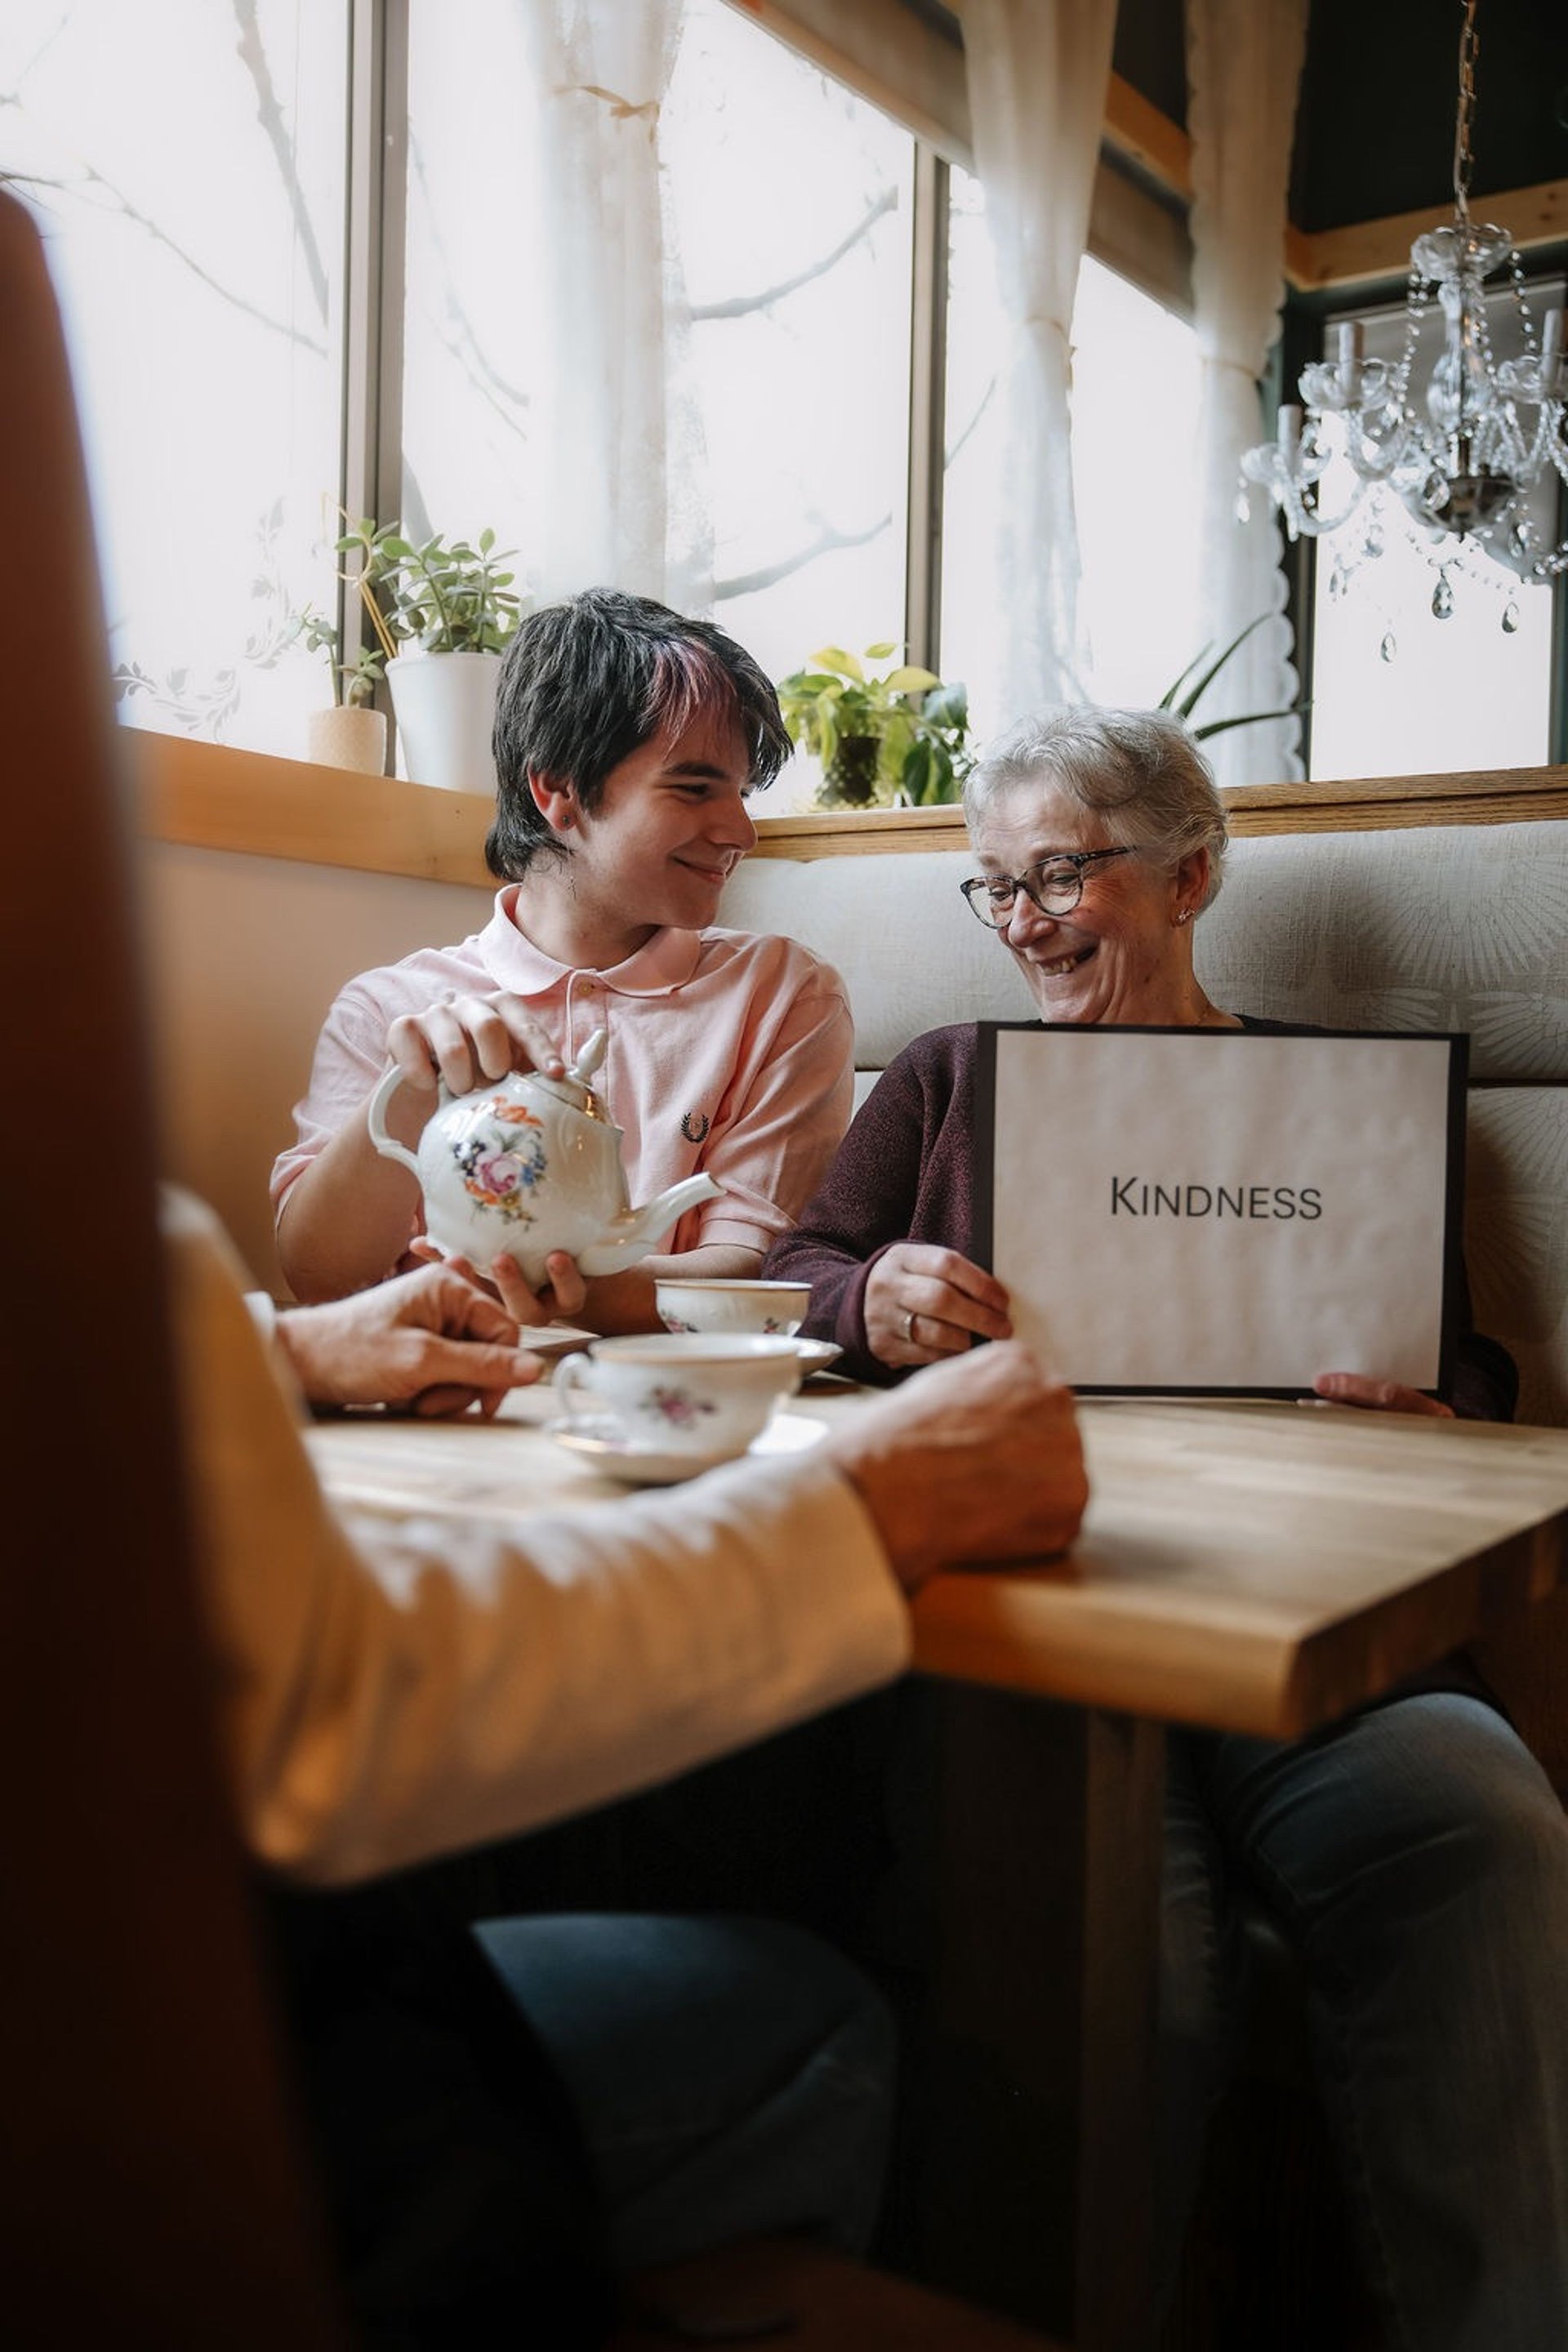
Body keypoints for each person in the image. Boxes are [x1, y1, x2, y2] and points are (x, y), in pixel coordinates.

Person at [766, 706, 1568, 2350]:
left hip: (1310, 1607)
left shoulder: (1335, 1106)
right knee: (1136, 1956)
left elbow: (1463, 1362)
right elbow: (792, 1279)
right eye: (993, 891)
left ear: (1191, 874)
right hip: (1044, 1620)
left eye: (1060, 874)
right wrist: (873, 1292)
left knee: (1487, 1828)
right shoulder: (945, 1079)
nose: (1025, 922)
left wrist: (1442, 1411)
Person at [167, 1187, 1087, 2342]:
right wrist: (865, 1512)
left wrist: (279, 1347)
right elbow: (317, 1719)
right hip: (192, 2109)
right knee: (811, 2010)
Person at [272, 589, 854, 1332]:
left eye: (740, 792)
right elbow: (318, 1276)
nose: (742, 830)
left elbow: (752, 1269)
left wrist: (509, 1297)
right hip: (434, 1417)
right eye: (694, 787)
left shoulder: (781, 997)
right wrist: (413, 1088)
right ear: (558, 791)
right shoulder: (391, 1009)